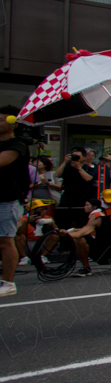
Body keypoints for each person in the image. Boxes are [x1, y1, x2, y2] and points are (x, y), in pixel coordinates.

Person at [0, 106, 30, 297]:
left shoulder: (18, 145)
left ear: (13, 123)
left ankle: (8, 282)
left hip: (8, 200)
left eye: (2, 119)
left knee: (5, 241)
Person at [54, 146, 97, 228]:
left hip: (82, 199)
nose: (75, 158)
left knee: (80, 222)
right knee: (64, 222)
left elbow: (89, 178)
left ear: (84, 157)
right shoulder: (67, 167)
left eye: (78, 156)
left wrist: (78, 167)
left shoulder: (88, 168)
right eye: (74, 155)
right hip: (67, 197)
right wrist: (65, 162)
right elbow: (57, 174)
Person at [16, 200, 56, 265]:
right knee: (18, 236)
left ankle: (43, 256)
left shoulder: (48, 218)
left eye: (45, 209)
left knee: (55, 236)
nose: (45, 211)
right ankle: (24, 257)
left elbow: (57, 230)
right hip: (28, 244)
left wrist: (51, 224)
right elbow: (18, 233)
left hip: (42, 244)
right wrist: (26, 222)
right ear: (32, 211)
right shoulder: (23, 219)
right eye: (42, 210)